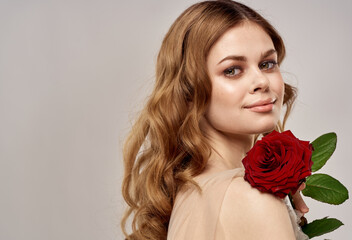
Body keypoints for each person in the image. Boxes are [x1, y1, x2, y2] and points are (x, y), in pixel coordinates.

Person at [121, 0, 309, 239]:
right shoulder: (252, 197)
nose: (261, 81)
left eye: (267, 64)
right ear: (189, 91)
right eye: (232, 70)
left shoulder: (190, 194)